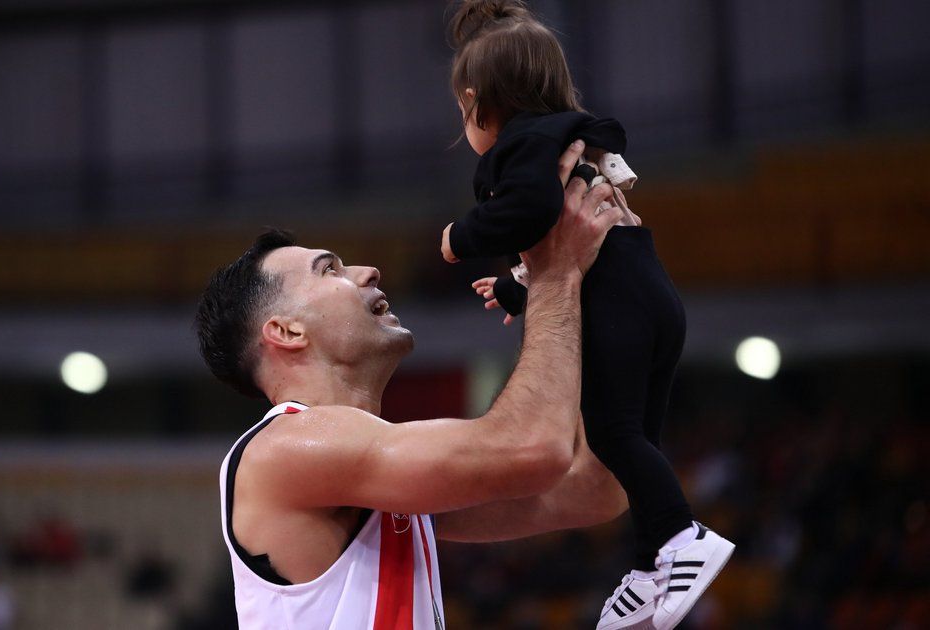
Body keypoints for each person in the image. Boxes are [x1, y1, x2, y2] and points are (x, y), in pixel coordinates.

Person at [195, 141, 628, 629]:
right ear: (287, 332)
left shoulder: (377, 478)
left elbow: (595, 490)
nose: (368, 271)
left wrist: (606, 283)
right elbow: (534, 448)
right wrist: (555, 272)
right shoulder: (285, 449)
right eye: (330, 269)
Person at [439, 2, 734, 628]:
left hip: (617, 302)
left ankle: (684, 536)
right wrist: (517, 290)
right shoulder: (571, 139)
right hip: (650, 292)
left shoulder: (520, 147)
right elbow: (563, 247)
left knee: (612, 435)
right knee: (635, 440)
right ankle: (652, 563)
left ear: (474, 101)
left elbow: (528, 212)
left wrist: (459, 237)